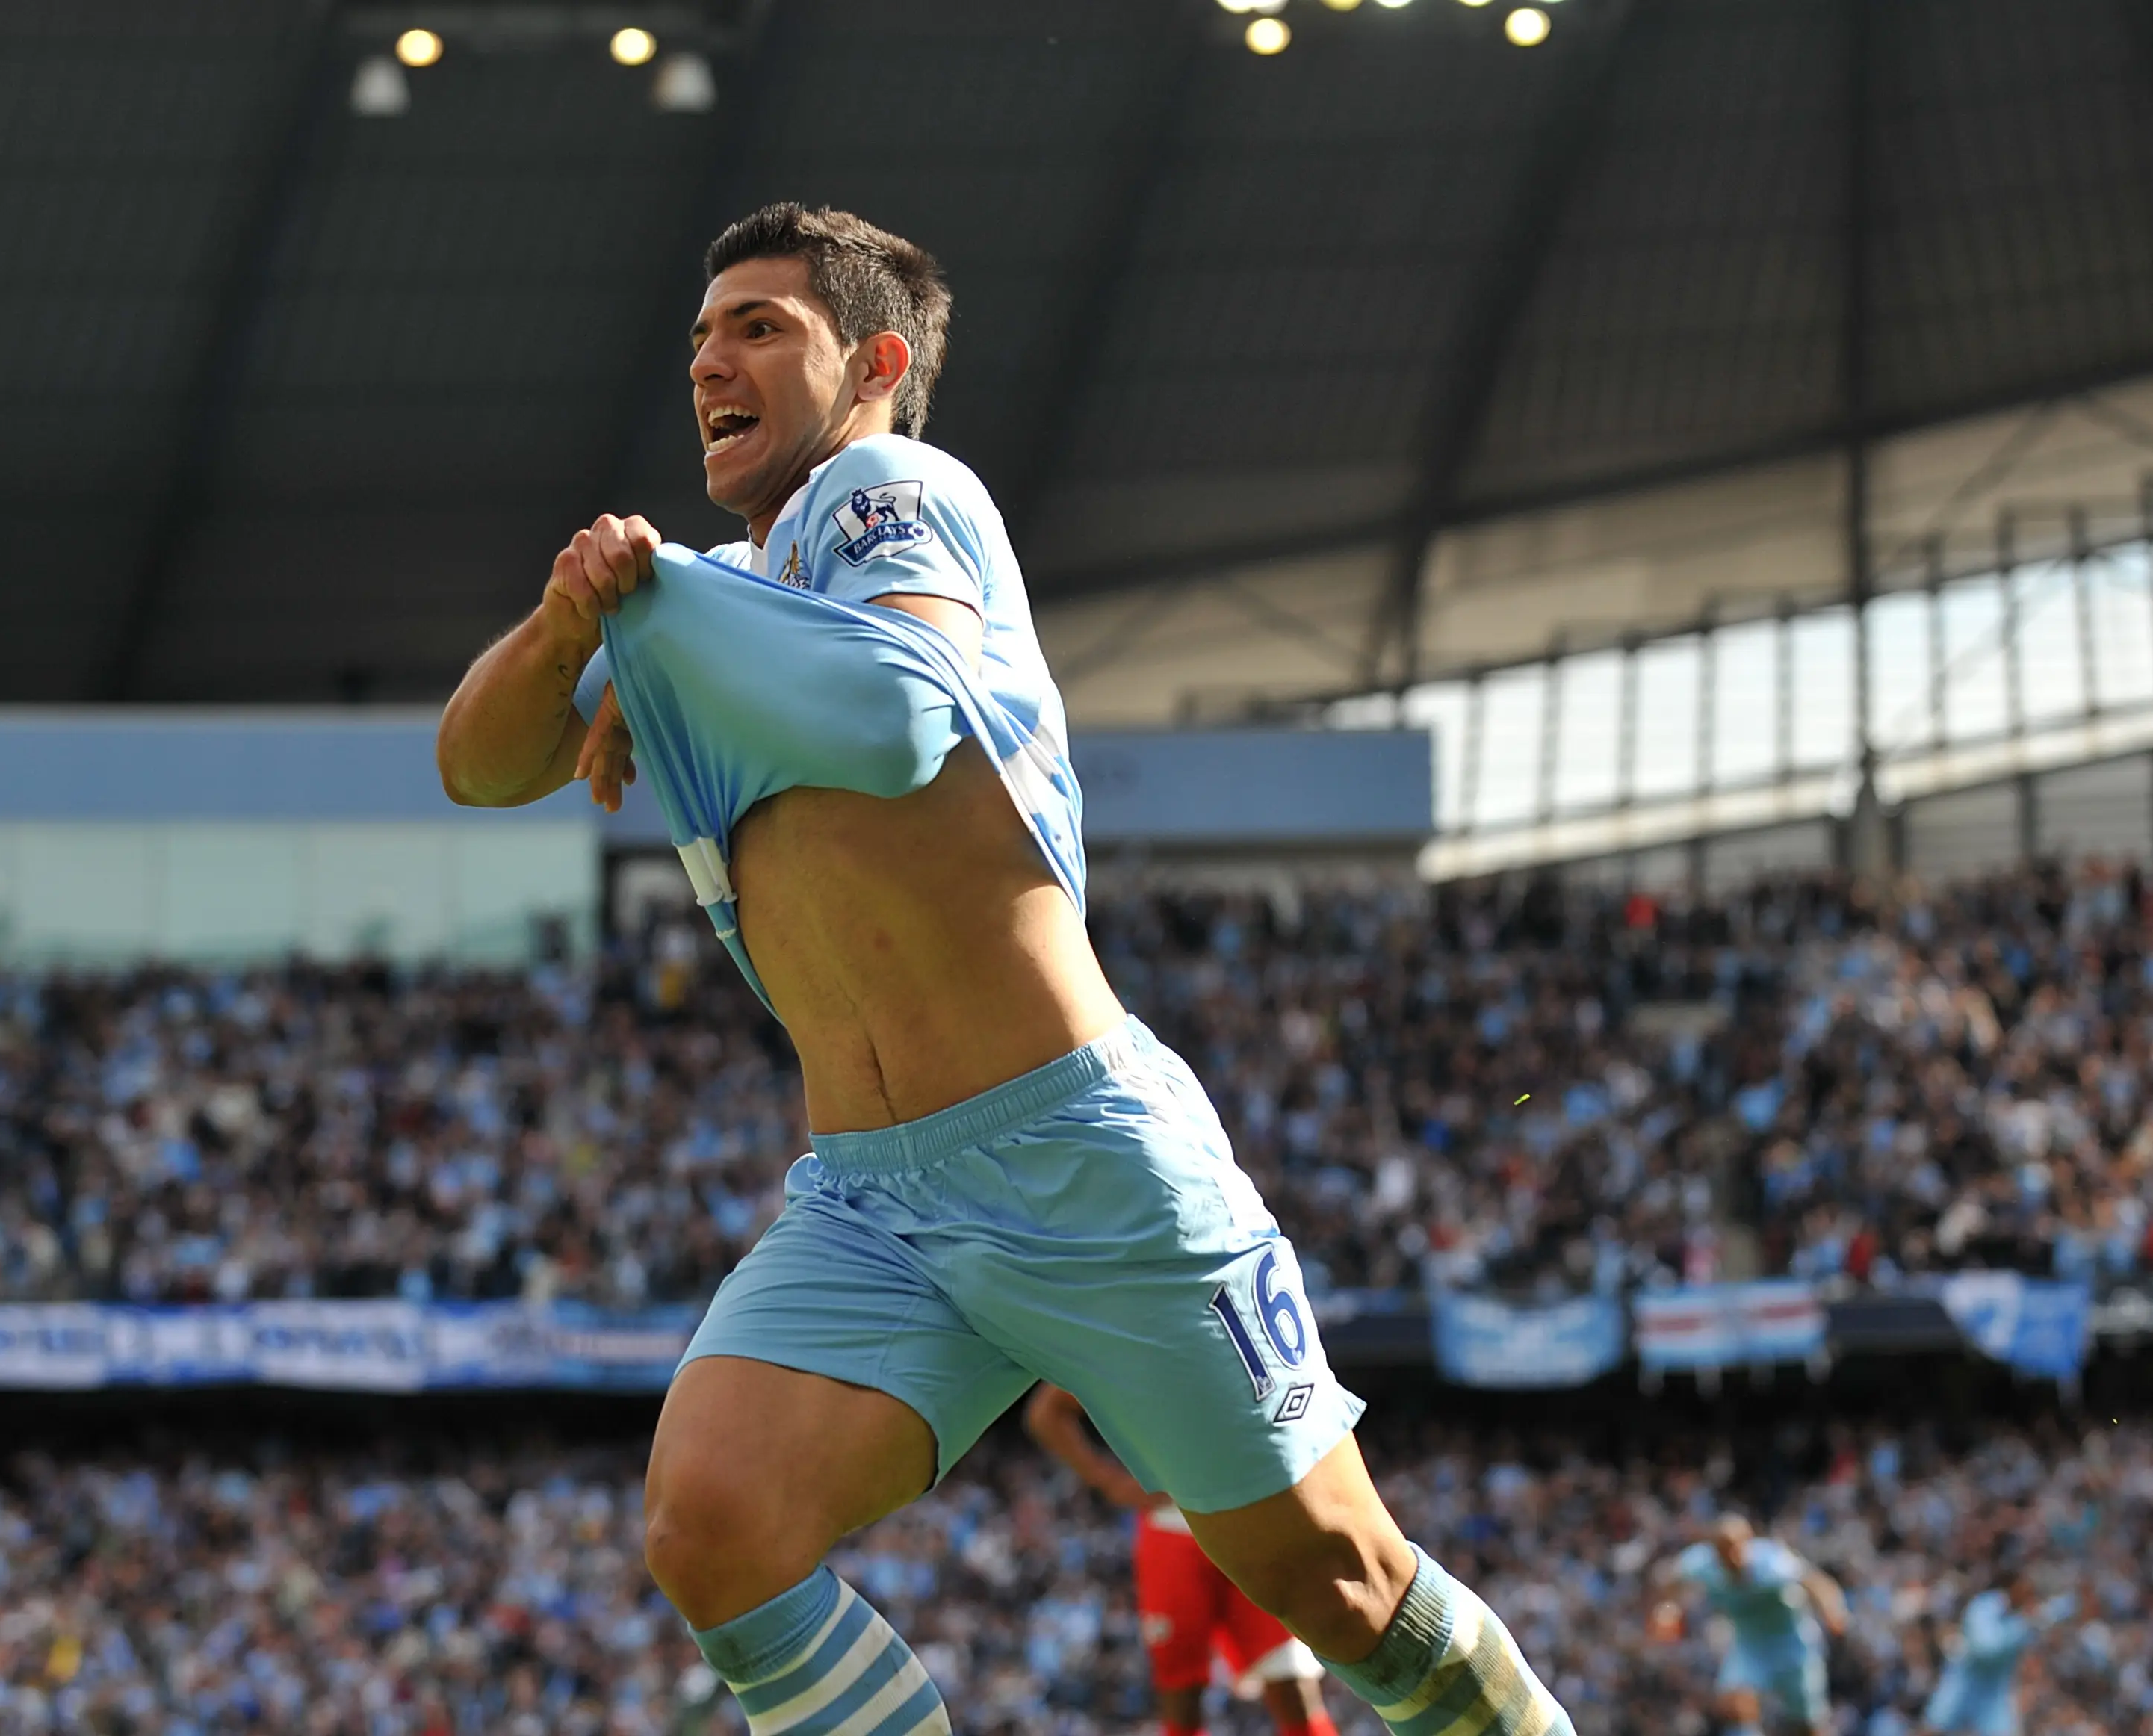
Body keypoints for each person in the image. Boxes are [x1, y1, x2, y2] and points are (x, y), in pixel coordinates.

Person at [435, 201, 1573, 1736]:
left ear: (874, 365)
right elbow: (478, 762)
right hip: (871, 1198)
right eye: (703, 333)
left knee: (1342, 1584)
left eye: (762, 324)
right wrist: (589, 612)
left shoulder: (887, 486)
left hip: (1080, 1158)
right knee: (716, 1527)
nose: (711, 354)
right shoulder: (695, 598)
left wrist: (682, 617)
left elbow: (899, 715)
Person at [1024, 1384, 1339, 1736]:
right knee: (1183, 1701)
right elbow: (1047, 1412)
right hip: (1172, 1528)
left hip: (1253, 1520)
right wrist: (1108, 1480)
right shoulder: (1128, 1337)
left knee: (1293, 1689)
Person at [1662, 1515, 1847, 1736]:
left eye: (1734, 1548)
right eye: (1722, 1551)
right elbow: (1673, 1579)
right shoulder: (1703, 1563)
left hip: (1792, 1644)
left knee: (1807, 1725)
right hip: (1749, 1646)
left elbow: (1814, 1582)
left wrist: (1832, 1610)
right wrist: (1667, 1611)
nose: (1730, 1557)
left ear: (1747, 1543)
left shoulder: (1771, 1562)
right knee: (1733, 1703)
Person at [1921, 1568, 2077, 1736]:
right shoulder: (1984, 1607)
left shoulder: (2026, 1615)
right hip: (1964, 1680)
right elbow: (1986, 1648)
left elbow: (2055, 1612)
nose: (2029, 1596)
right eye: (2024, 1589)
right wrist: (2024, 1623)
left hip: (1995, 1689)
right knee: (1933, 1729)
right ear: (2012, 1588)